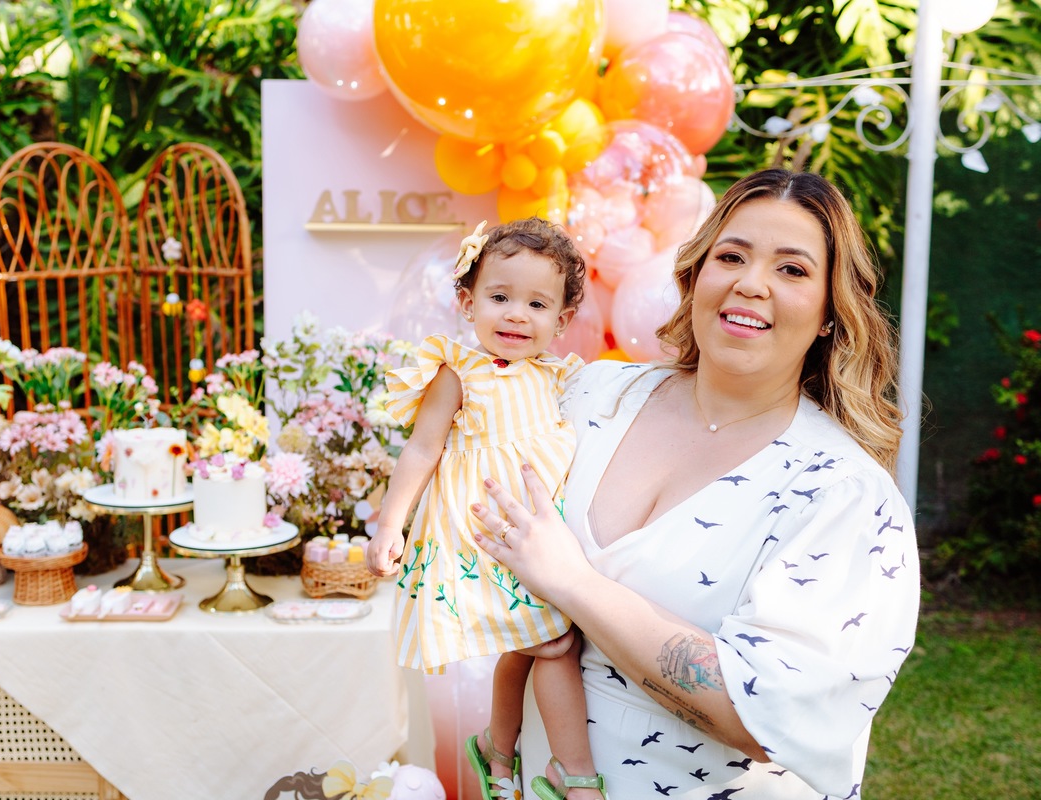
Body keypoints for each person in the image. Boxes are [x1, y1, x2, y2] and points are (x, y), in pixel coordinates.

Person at [469, 169, 921, 799]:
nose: (750, 283)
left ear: (829, 315)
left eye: (792, 270)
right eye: (731, 256)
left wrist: (572, 583)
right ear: (695, 275)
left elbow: (764, 718)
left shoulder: (842, 494)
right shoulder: (589, 397)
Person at [366, 217, 607, 799]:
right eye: (500, 298)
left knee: (530, 644)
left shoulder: (560, 377)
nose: (517, 315)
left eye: (536, 303)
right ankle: (577, 778)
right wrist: (390, 524)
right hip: (484, 532)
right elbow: (423, 449)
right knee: (550, 644)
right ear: (468, 303)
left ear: (562, 321)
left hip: (541, 528)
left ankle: (498, 755)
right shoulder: (459, 370)